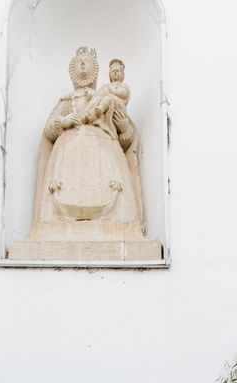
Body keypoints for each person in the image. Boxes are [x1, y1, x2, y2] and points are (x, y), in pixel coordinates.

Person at [29, 47, 145, 241]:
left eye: (87, 63)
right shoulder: (68, 100)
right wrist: (64, 122)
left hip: (105, 155)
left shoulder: (109, 98)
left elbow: (127, 139)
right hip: (69, 157)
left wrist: (124, 127)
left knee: (116, 200)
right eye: (79, 63)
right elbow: (48, 131)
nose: (83, 66)